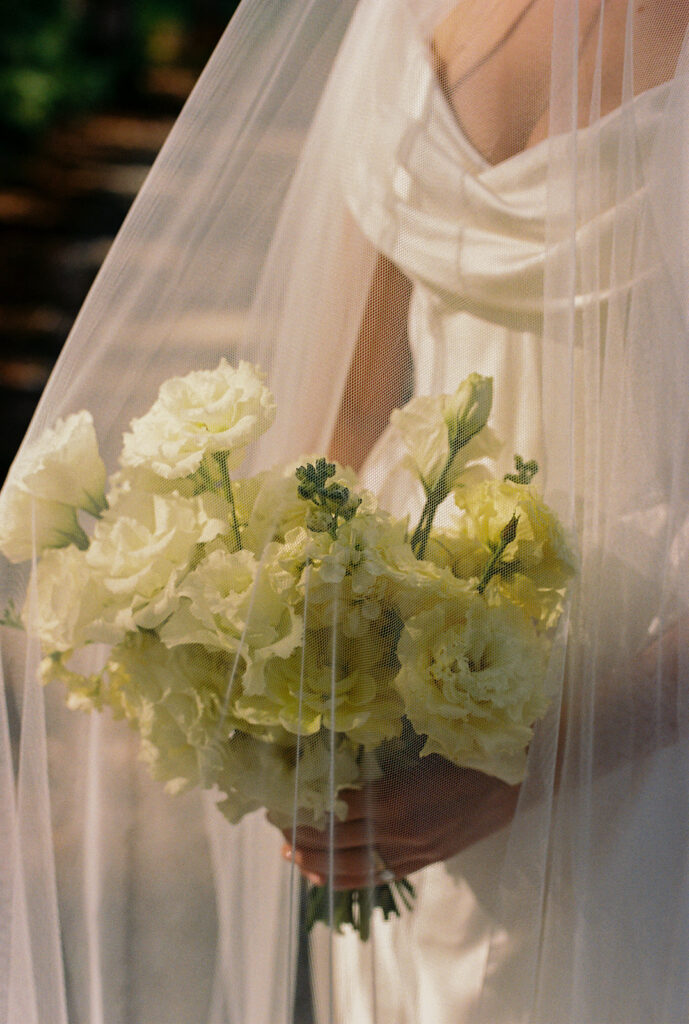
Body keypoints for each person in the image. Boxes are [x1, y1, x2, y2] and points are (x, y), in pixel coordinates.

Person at [1, 2, 688, 1022]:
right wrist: (290, 656)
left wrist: (520, 769)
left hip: (649, 720)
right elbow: (355, 410)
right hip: (415, 688)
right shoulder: (409, 18)